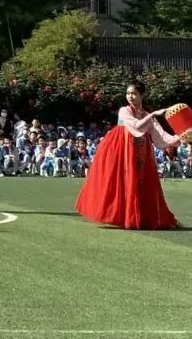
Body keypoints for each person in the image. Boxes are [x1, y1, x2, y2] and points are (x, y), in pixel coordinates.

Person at [76, 80, 180, 230]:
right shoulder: (124, 111)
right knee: (120, 180)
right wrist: (153, 115)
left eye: (134, 93)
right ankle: (121, 216)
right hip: (120, 148)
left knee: (140, 180)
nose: (130, 96)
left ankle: (140, 216)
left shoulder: (146, 115)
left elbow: (162, 137)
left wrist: (181, 137)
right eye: (128, 93)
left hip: (140, 149)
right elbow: (136, 126)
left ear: (142, 95)